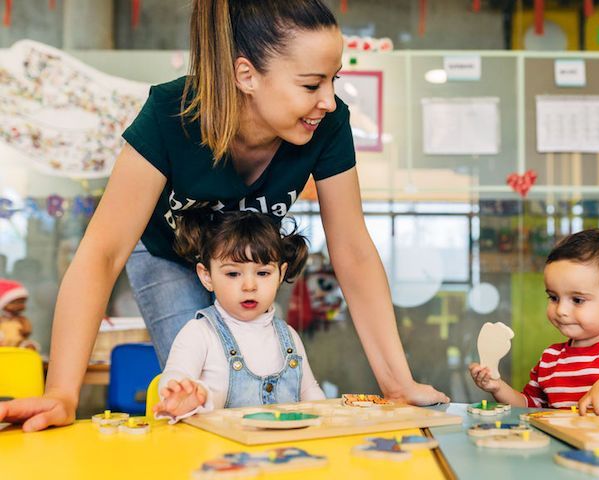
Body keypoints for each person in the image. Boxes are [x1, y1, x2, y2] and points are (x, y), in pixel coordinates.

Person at [0, 0, 447, 433]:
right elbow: (102, 253)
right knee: (203, 389)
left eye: (334, 80)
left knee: (266, 378)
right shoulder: (170, 114)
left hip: (249, 257)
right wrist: (61, 393)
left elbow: (352, 250)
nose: (329, 101)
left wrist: (397, 385)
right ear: (247, 75)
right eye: (312, 85)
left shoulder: (327, 124)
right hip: (168, 255)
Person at [469, 229, 599, 415]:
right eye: (553, 297)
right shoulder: (551, 359)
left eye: (577, 300)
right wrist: (498, 387)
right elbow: (530, 407)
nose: (561, 310)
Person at [154, 210, 325, 421]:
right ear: (206, 276)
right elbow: (174, 375)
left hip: (281, 450)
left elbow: (309, 392)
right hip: (218, 451)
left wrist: (327, 417)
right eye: (233, 274)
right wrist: (184, 394)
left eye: (263, 273)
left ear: (280, 274)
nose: (249, 286)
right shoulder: (199, 333)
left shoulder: (289, 336)